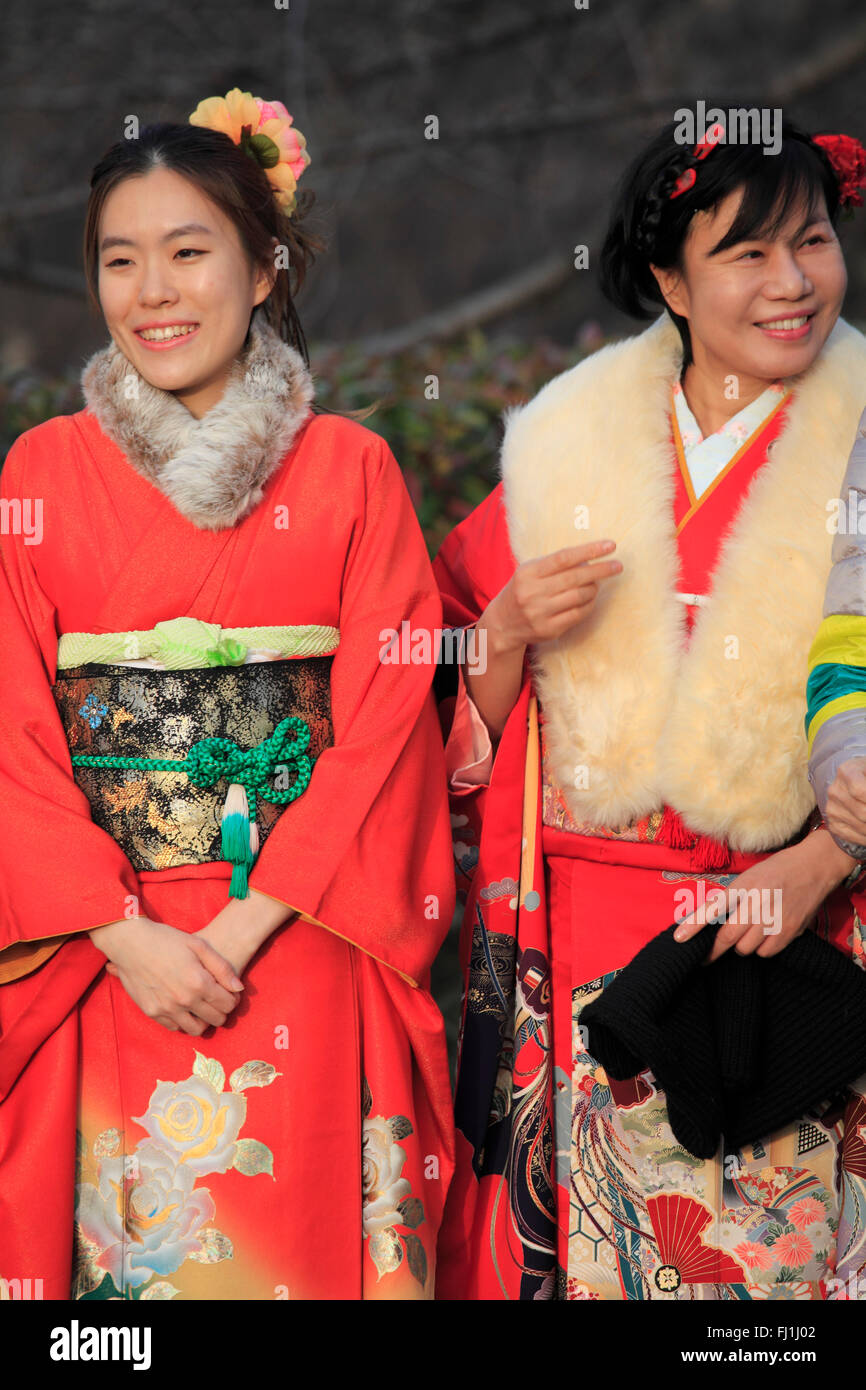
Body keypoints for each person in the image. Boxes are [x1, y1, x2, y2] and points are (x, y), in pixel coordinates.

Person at [0, 87, 455, 1301]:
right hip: (103, 942)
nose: (152, 290)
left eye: (189, 252)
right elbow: (8, 730)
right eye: (119, 259)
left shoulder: (351, 469)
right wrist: (116, 928)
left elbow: (385, 725)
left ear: (264, 267)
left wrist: (250, 922)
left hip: (303, 928)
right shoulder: (39, 471)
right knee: (125, 1282)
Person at [432, 113, 866, 1301]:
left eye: (813, 243)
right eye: (745, 254)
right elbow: (437, 700)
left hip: (787, 936)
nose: (791, 284)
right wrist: (505, 635)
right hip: (577, 940)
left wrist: (830, 850)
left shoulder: (859, 433)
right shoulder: (567, 444)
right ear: (668, 279)